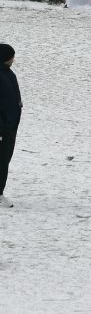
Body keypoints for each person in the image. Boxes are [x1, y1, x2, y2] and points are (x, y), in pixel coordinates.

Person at [0, 44, 21, 208]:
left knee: (5, 159)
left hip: (10, 126)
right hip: (3, 128)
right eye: (12, 56)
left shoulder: (7, 73)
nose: (13, 59)